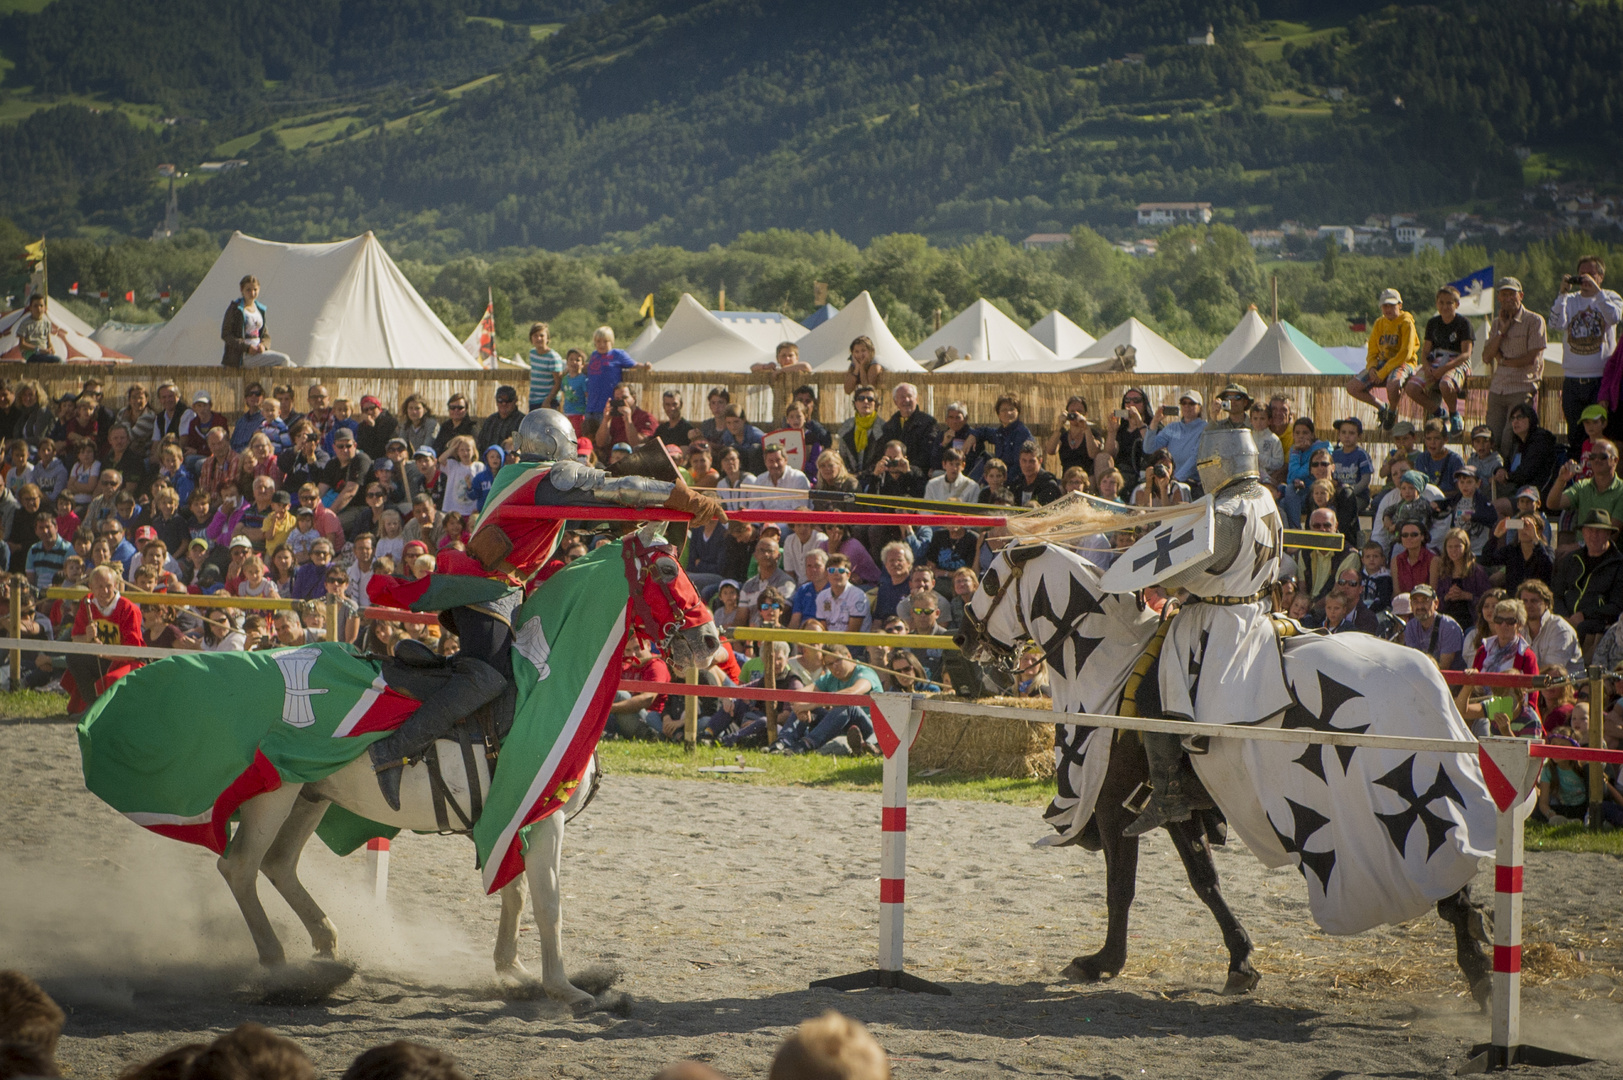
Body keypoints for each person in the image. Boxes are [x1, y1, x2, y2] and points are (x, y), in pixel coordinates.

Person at [1117, 428, 1285, 837]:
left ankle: (1170, 792)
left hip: (1218, 620)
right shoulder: (1263, 498)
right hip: (1256, 610)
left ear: (1217, 466)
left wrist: (1156, 572)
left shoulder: (1227, 515)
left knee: (1151, 690)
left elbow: (1185, 576)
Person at [1549, 255, 1623, 447]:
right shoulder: (1571, 300)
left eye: (1590, 274)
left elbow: (1614, 318)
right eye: (1581, 274)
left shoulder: (1610, 297)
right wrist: (1563, 294)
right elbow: (1556, 324)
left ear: (1601, 276)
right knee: (1575, 434)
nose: (1585, 279)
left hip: (1599, 379)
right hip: (1572, 379)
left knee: (1601, 434)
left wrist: (1598, 294)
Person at [1482, 277, 1548, 460]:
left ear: (1521, 295)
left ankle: (1508, 478)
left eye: (1512, 294)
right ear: (1499, 298)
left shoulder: (1534, 321)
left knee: (1509, 436)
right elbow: (1487, 356)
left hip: (1522, 385)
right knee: (1491, 436)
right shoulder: (1496, 323)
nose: (1508, 298)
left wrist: (1504, 361)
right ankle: (1492, 478)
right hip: (1498, 387)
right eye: (1504, 294)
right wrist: (1502, 332)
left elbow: (1531, 358)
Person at [1346, 287, 1419, 430]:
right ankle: (1381, 407)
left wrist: (1382, 372)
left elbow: (1405, 353)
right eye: (1385, 306)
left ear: (1400, 305)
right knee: (1352, 387)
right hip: (1382, 363)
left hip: (1403, 362)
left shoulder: (1406, 322)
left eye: (1391, 305)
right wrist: (1372, 367)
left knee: (1393, 385)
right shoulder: (1379, 323)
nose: (1388, 309)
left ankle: (1392, 411)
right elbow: (1372, 350)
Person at [1406, 284, 1474, 435]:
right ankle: (1438, 411)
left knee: (1445, 384)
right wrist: (1427, 366)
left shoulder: (1464, 324)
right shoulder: (1433, 323)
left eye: (1449, 303)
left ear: (1456, 304)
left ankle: (1454, 414)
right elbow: (1425, 351)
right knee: (1411, 388)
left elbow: (1466, 353)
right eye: (1441, 302)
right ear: (1437, 303)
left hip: (1457, 360)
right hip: (1436, 359)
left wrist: (1443, 369)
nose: (1445, 306)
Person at [1551, 509, 1623, 639]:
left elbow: (1617, 606)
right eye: (1589, 530)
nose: (1594, 535)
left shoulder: (1619, 564)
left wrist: (1584, 615)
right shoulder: (1571, 559)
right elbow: (1556, 594)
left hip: (1598, 625)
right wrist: (1564, 617)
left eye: (1599, 531)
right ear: (1583, 533)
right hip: (1565, 620)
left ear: (1608, 533)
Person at [1549, 438, 1623, 544]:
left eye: (1603, 457)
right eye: (1592, 457)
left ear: (1615, 460)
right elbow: (1552, 504)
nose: (1597, 460)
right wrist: (1561, 480)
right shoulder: (1583, 485)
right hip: (1582, 552)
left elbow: (1611, 536)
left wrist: (1578, 547)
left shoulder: (1621, 490)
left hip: (1609, 555)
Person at [584, 326, 652, 435]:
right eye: (598, 341)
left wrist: (645, 366)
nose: (601, 344)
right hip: (591, 406)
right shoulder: (594, 356)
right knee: (589, 437)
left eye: (605, 341)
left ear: (611, 342)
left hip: (608, 406)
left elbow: (633, 364)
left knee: (606, 437)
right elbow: (587, 369)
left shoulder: (617, 354)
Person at [1141, 389, 1207, 493]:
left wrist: (1176, 479)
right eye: (1184, 403)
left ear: (1200, 407)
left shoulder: (1205, 429)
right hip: (1169, 481)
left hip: (1192, 483)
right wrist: (1155, 421)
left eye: (1191, 403)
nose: (1187, 406)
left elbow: (1195, 458)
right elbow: (1149, 448)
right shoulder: (1172, 427)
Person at [1518, 579, 1583, 674]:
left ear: (1547, 604)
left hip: (1564, 685)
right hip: (1532, 684)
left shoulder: (1560, 628)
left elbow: (1553, 671)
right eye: (1524, 601)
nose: (1528, 605)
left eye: (1534, 601)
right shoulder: (1519, 628)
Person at [1402, 583, 1463, 669]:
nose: (1419, 606)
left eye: (1425, 600)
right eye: (1415, 601)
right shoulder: (1410, 627)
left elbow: (1444, 667)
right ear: (1411, 605)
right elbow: (1413, 661)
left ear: (1436, 604)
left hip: (1449, 680)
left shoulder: (1449, 627)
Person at [877, 382, 936, 468]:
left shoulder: (928, 423)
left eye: (909, 396)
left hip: (918, 472)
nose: (906, 400)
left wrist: (908, 468)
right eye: (902, 397)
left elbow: (927, 453)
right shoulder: (889, 426)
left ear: (916, 399)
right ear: (895, 402)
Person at [836, 383, 885, 476]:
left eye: (870, 399)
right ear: (855, 403)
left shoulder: (883, 428)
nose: (865, 401)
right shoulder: (847, 426)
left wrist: (864, 475)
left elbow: (882, 457)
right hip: (849, 477)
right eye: (861, 399)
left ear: (876, 404)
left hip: (875, 476)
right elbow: (842, 456)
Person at [814, 552, 869, 631]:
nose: (836, 574)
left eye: (841, 570)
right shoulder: (822, 596)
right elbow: (823, 629)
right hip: (830, 642)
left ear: (848, 575)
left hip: (853, 642)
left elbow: (852, 634)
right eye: (832, 570)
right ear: (826, 574)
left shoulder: (857, 596)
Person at [1008, 441, 1061, 506]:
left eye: (1032, 461)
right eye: (1024, 461)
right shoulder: (1016, 484)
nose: (1027, 465)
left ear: (1040, 461)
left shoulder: (1049, 485)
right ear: (1019, 461)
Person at [526, 321, 563, 411]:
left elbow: (558, 383)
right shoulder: (532, 353)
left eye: (542, 335)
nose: (538, 338)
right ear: (531, 338)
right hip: (534, 400)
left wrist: (548, 400)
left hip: (549, 401)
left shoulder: (553, 357)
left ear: (547, 338)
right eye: (535, 336)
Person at [15, 294, 62, 363]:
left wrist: (51, 349)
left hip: (44, 353)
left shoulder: (47, 323)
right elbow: (22, 344)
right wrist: (38, 349)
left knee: (60, 361)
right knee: (55, 360)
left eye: (41, 306)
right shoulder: (25, 323)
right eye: (35, 306)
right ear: (30, 308)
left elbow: (49, 342)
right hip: (31, 354)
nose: (39, 309)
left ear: (45, 307)